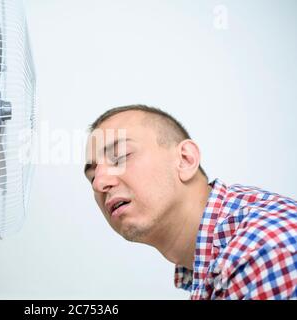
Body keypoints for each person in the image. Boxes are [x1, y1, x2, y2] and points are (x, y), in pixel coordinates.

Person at [84, 104, 297, 300]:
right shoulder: (215, 266)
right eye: (92, 176)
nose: (99, 183)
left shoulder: (263, 250)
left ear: (185, 160)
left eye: (120, 157)